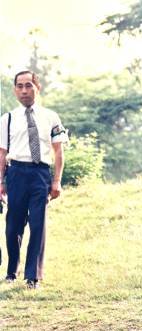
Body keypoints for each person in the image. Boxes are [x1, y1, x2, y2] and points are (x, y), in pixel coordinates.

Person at [0, 70, 68, 289]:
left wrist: (56, 181)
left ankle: (33, 276)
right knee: (13, 227)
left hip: (40, 174)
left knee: (38, 225)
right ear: (14, 90)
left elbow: (58, 152)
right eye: (19, 86)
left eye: (28, 85)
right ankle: (12, 270)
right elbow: (1, 154)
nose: (24, 90)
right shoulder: (7, 119)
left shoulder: (51, 117)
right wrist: (1, 182)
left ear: (37, 88)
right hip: (16, 173)